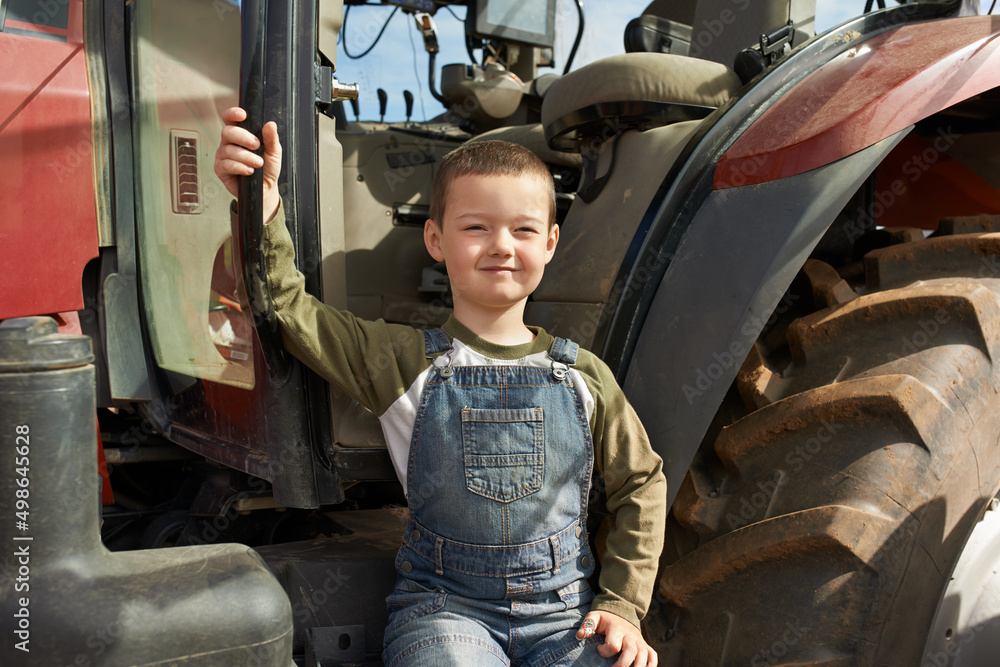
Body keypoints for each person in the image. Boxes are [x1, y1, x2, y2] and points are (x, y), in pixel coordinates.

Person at [215, 107, 666, 667]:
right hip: (446, 612)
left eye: (523, 229)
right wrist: (261, 208)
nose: (501, 245)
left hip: (566, 617)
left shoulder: (585, 376)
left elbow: (641, 482)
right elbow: (288, 308)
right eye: (476, 227)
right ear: (435, 238)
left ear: (550, 243)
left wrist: (623, 606)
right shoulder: (399, 361)